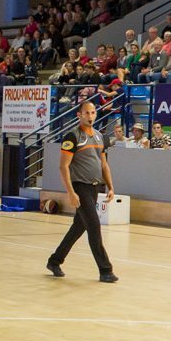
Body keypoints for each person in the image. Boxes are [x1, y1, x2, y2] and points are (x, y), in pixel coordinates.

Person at [46, 101, 119, 282]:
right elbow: (63, 166)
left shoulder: (101, 137)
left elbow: (103, 164)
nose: (90, 116)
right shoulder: (72, 137)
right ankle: (105, 270)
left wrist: (110, 187)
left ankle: (54, 261)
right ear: (79, 115)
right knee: (94, 225)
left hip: (95, 187)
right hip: (80, 187)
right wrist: (71, 192)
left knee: (78, 227)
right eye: (86, 113)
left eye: (93, 112)